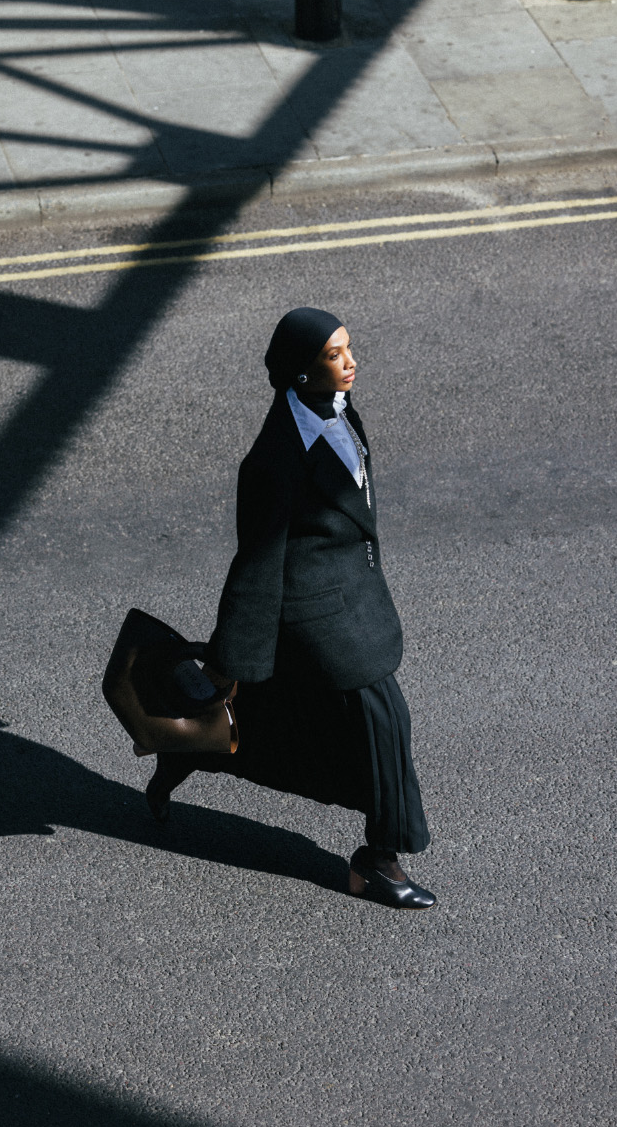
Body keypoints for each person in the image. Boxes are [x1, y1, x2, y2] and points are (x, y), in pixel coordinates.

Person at [146, 307, 436, 909]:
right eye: (335, 354)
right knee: (386, 721)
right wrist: (228, 661)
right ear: (302, 372)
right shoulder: (274, 462)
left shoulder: (336, 409)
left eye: (349, 348)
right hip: (319, 615)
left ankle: (184, 749)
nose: (351, 362)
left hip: (352, 596)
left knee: (282, 719)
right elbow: (256, 565)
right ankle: (378, 861)